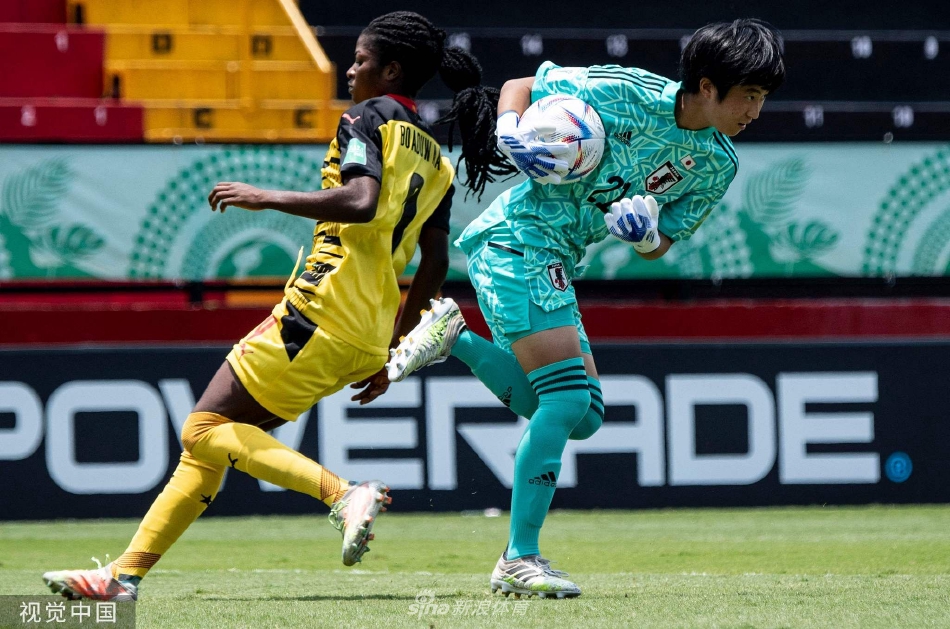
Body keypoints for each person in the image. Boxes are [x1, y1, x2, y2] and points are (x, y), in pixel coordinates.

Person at [41, 11, 513, 602]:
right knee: (213, 443)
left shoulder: (367, 118)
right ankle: (121, 579)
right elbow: (435, 264)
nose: (350, 70)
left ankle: (343, 495)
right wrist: (392, 350)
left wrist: (265, 196)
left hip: (320, 310)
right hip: (366, 332)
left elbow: (361, 201)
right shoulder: (436, 159)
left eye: (361, 60)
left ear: (391, 70)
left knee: (203, 428)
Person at [387, 19, 786, 599]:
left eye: (763, 97)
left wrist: (645, 238)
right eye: (749, 94)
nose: (756, 110)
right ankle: (519, 557)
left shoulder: (718, 164)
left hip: (558, 260)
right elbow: (522, 86)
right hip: (517, 240)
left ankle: (456, 337)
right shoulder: (625, 91)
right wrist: (510, 130)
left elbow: (664, 243)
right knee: (567, 401)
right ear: (706, 86)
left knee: (586, 416)